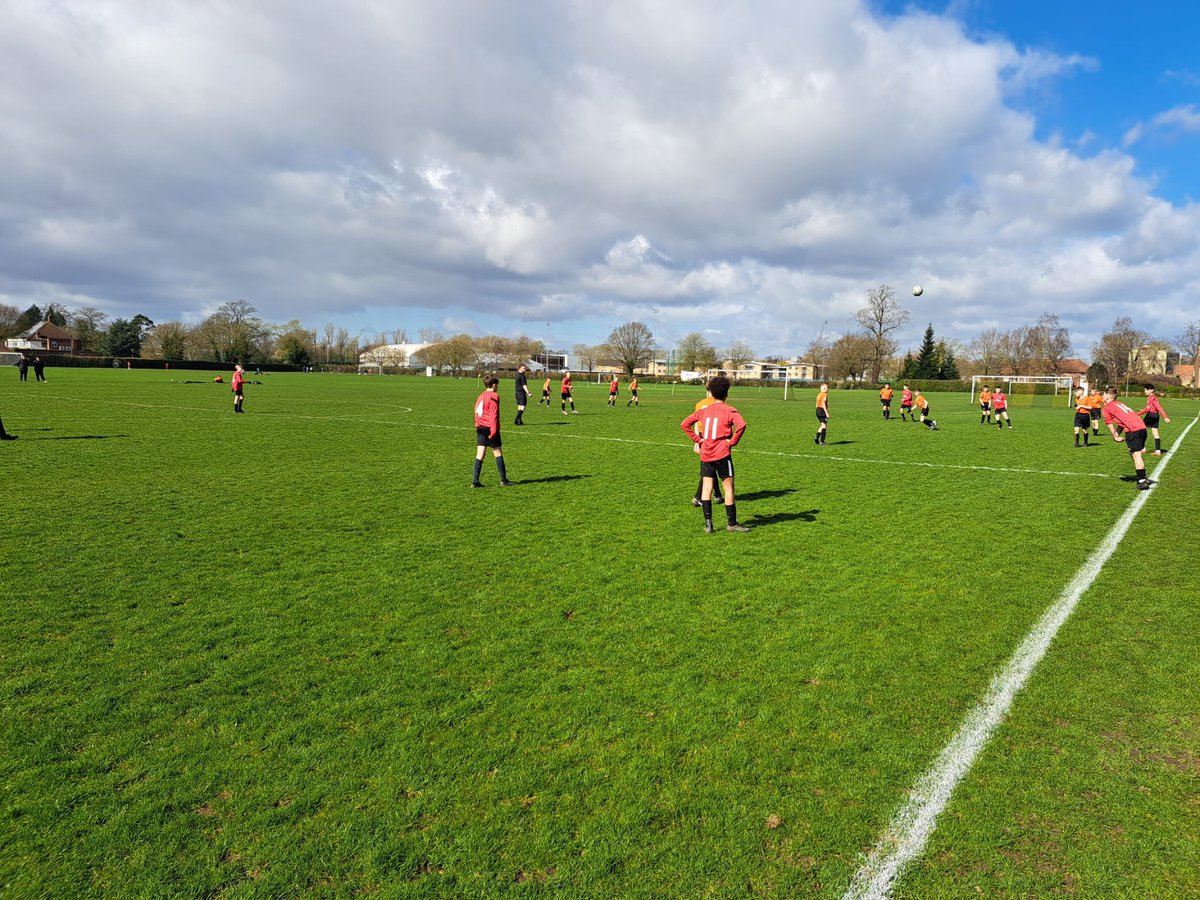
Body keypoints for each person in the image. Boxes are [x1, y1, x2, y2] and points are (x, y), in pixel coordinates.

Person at [680, 374, 749, 532]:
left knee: (707, 488)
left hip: (706, 452)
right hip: (722, 453)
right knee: (728, 488)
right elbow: (742, 425)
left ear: (711, 392)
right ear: (726, 394)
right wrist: (732, 442)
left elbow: (684, 424)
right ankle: (731, 524)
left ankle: (709, 525)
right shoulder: (729, 410)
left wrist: (699, 440)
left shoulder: (704, 410)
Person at [1102, 388, 1152, 490]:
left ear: (1107, 396)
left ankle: (1142, 481)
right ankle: (1142, 476)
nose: (1102, 396)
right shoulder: (1120, 404)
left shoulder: (1107, 408)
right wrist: (1116, 435)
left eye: (1103, 394)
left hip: (1133, 430)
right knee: (1134, 454)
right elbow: (1122, 422)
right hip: (1142, 428)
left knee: (1136, 455)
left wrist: (1114, 436)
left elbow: (1109, 424)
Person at [472, 375, 513, 487]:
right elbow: (493, 414)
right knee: (497, 452)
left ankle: (475, 481)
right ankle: (504, 480)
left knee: (480, 454)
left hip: (480, 427)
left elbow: (476, 411)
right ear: (494, 385)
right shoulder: (494, 396)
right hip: (490, 427)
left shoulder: (481, 395)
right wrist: (494, 430)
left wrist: (477, 425)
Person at [689, 382, 724, 507]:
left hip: (701, 437)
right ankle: (698, 497)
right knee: (710, 467)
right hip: (713, 438)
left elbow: (696, 422)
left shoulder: (700, 404)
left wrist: (696, 440)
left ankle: (717, 494)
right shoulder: (717, 404)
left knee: (711, 465)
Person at [1138, 384, 1171, 456]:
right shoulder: (1151, 397)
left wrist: (1165, 417)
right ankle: (1158, 451)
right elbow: (1147, 409)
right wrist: (1137, 414)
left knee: (1141, 429)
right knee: (1155, 432)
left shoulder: (1152, 398)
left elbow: (1159, 407)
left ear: (1151, 390)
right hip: (1155, 416)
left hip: (1150, 415)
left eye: (1146, 390)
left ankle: (1143, 449)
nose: (1145, 391)